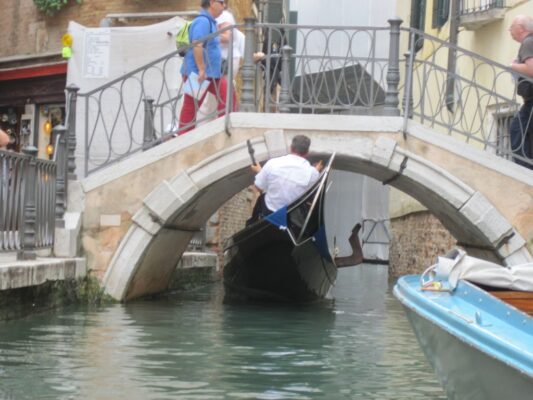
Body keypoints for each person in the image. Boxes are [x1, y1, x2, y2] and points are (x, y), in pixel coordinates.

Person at [178, 0, 236, 134]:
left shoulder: (210, 22)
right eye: (222, 3)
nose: (224, 6)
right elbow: (197, 44)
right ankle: (183, 137)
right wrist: (202, 69)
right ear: (212, 3)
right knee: (191, 107)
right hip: (198, 74)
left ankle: (225, 127)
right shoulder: (203, 21)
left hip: (212, 74)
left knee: (228, 94)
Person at [249, 135, 323, 223]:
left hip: (269, 212)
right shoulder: (313, 173)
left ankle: (251, 223)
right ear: (306, 153)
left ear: (291, 148)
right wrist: (316, 170)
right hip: (289, 217)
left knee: (261, 198)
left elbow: (258, 187)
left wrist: (260, 171)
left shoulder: (272, 163)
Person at [509, 15, 533, 169]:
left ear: (520, 28)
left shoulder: (528, 42)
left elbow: (531, 70)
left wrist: (512, 65)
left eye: (512, 27)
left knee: (517, 130)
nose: (509, 30)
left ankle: (524, 173)